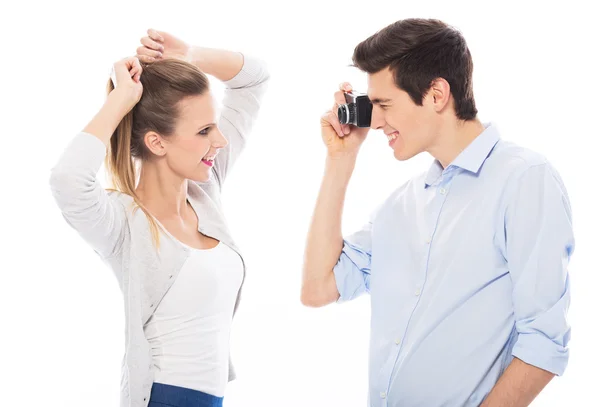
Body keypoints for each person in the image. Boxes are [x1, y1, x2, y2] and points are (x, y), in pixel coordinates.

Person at [301, 18, 574, 407]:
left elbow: (544, 341)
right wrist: (341, 159)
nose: (374, 121)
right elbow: (317, 288)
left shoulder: (524, 180)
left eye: (383, 104)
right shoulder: (400, 205)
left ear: (436, 94)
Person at [49, 29, 269, 407]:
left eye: (214, 125)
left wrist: (190, 54)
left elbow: (255, 79)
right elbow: (67, 179)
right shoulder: (122, 223)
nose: (220, 140)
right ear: (156, 142)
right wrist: (120, 100)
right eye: (203, 131)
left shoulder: (205, 191)